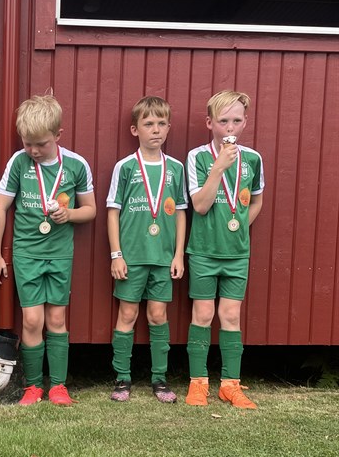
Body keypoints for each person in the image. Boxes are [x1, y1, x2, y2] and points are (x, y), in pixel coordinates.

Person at [0, 94, 96, 405]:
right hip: (26, 254)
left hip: (60, 254)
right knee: (32, 321)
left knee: (57, 320)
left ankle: (58, 386)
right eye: (28, 144)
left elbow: (90, 210)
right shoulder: (18, 162)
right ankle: (33, 386)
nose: (34, 151)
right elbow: (0, 208)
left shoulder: (76, 165)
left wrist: (70, 214)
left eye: (41, 144)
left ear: (58, 135)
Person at [185, 90, 264, 408]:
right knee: (203, 314)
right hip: (204, 250)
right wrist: (218, 168)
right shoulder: (197, 157)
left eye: (236, 120)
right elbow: (200, 206)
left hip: (236, 252)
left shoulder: (253, 159)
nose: (230, 127)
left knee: (231, 315)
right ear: (210, 123)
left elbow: (256, 201)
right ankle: (198, 383)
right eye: (223, 121)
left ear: (245, 122)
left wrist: (240, 225)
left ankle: (230, 385)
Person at [106, 96, 187, 402]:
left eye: (161, 123)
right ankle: (122, 378)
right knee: (127, 314)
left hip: (163, 257)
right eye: (149, 123)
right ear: (135, 129)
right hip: (131, 256)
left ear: (169, 127)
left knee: (157, 314)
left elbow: (181, 213)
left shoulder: (176, 168)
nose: (156, 130)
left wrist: (178, 255)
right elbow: (113, 211)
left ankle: (159, 379)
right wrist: (116, 254)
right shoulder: (125, 167)